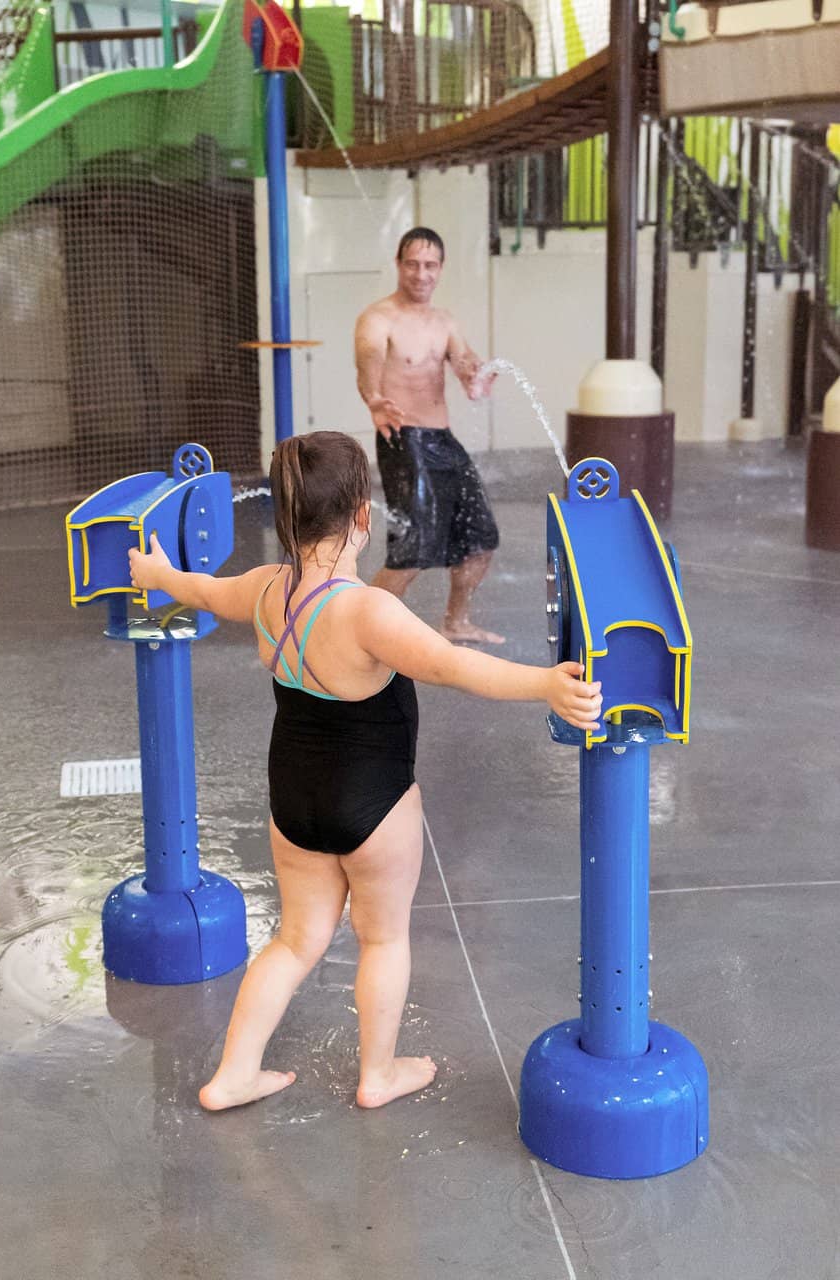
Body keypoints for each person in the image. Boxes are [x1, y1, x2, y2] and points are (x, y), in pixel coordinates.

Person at [128, 431, 602, 1114]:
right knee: (382, 937)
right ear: (361, 517)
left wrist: (155, 574)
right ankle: (377, 1074)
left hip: (293, 797)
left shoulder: (264, 590)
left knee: (295, 941)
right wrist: (546, 686)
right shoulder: (366, 611)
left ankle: (233, 1074)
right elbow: (454, 666)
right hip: (374, 801)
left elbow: (198, 589)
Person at [354, 226, 504, 645]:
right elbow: (367, 361)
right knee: (412, 552)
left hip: (443, 440)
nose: (421, 274)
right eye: (413, 264)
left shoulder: (444, 321)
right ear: (398, 265)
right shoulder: (378, 318)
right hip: (403, 439)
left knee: (480, 540)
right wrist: (373, 398)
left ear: (441, 268)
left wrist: (475, 374)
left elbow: (464, 359)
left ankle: (456, 622)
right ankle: (355, 629)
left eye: (430, 265)